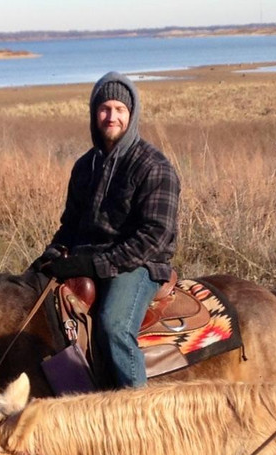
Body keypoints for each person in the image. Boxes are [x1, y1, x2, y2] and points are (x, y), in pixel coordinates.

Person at [31, 71, 180, 389]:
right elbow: (69, 226)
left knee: (113, 325)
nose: (111, 116)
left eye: (119, 110)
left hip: (139, 266)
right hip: (90, 258)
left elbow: (154, 238)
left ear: (132, 114)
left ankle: (137, 410)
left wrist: (93, 264)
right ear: (94, 113)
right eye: (104, 108)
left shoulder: (154, 167)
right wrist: (51, 256)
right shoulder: (85, 166)